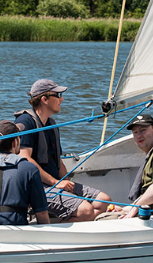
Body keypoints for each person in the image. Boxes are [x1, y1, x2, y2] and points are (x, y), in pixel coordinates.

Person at [14, 79, 114, 222]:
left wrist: (67, 183)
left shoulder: (51, 124)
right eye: (58, 95)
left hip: (55, 183)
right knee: (86, 210)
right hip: (36, 187)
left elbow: (58, 160)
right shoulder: (26, 122)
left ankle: (54, 223)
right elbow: (24, 159)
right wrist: (56, 182)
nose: (62, 99)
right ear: (44, 99)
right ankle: (47, 231)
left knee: (104, 201)